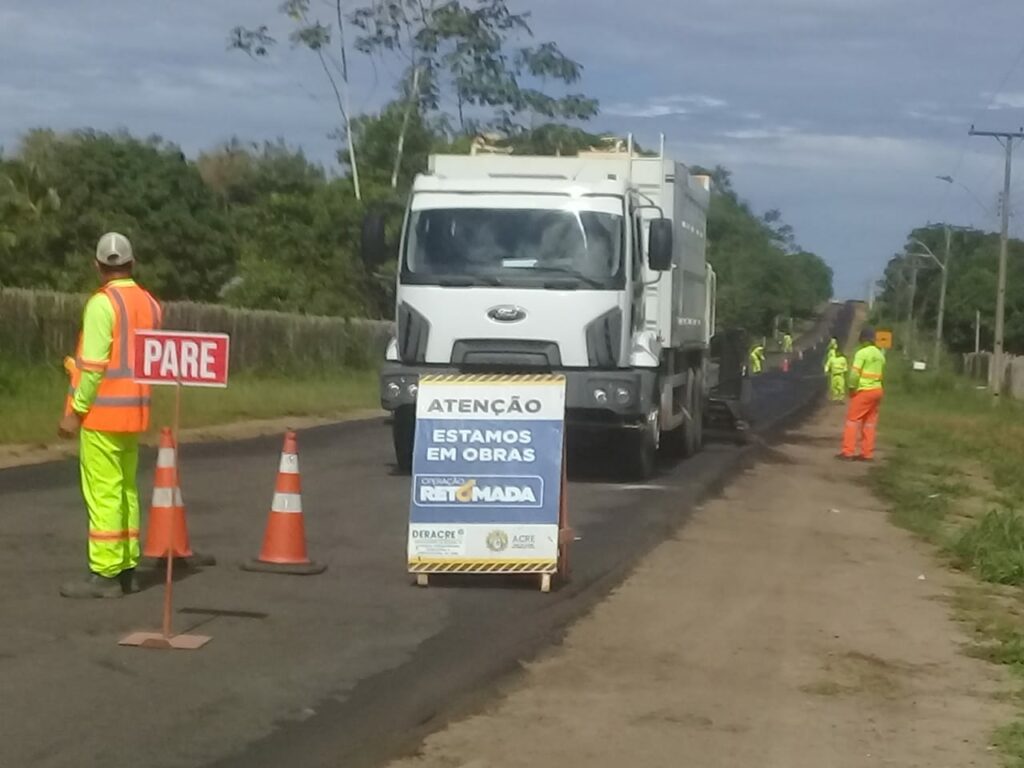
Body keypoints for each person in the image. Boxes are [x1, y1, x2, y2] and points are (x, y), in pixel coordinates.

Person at [57, 232, 162, 598]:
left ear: (98, 266)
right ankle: (127, 567)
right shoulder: (150, 304)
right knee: (126, 491)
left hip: (101, 415)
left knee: (103, 493)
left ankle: (104, 575)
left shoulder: (103, 304)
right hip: (134, 414)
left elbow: (95, 366)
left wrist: (76, 411)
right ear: (132, 263)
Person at [839, 327, 886, 461]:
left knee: (852, 420)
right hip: (877, 390)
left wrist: (851, 387)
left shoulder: (862, 353)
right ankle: (867, 453)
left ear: (863, 339)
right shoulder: (880, 354)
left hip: (864, 390)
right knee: (869, 423)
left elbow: (854, 374)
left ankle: (848, 452)